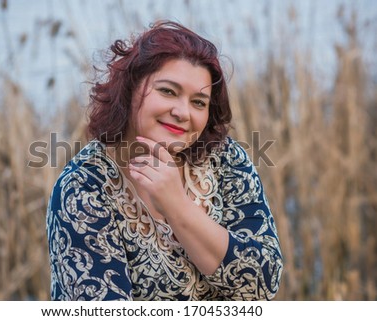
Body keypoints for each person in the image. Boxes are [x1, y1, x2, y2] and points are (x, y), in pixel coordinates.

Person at [46, 20, 283, 301]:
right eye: (168, 91)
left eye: (198, 102)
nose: (183, 112)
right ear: (130, 89)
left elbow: (262, 284)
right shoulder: (83, 187)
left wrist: (177, 205)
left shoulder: (225, 158)